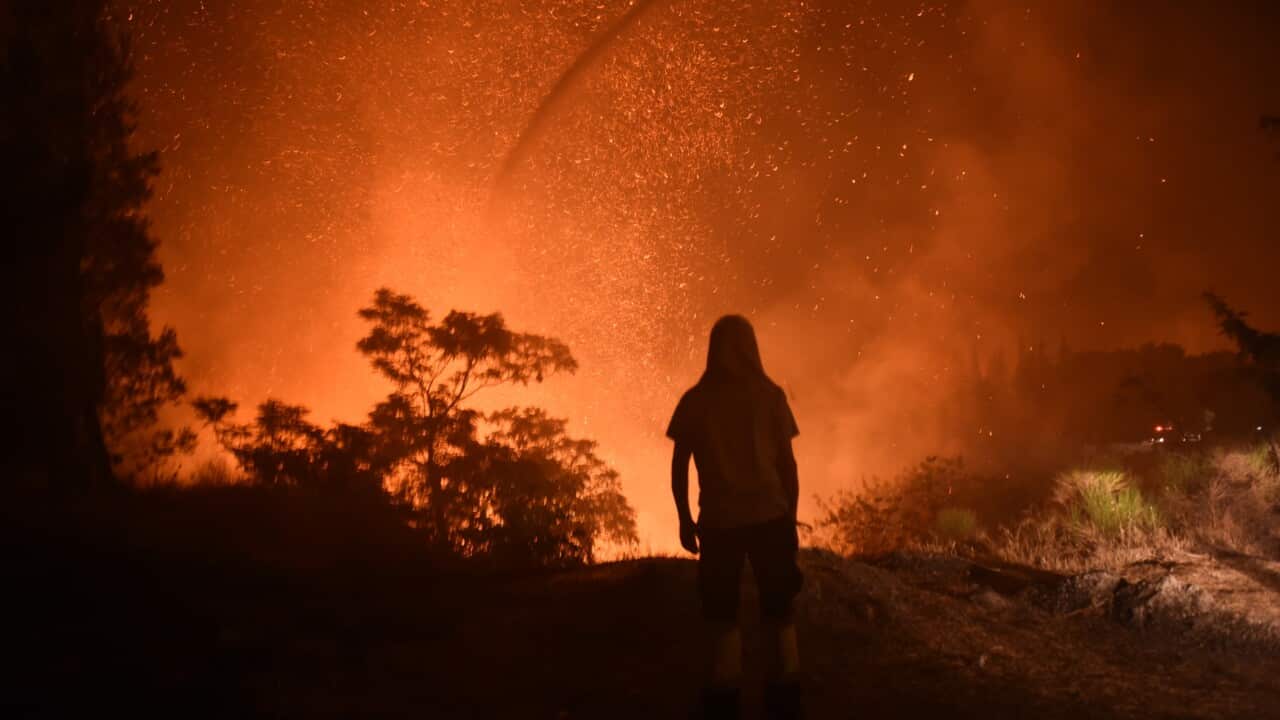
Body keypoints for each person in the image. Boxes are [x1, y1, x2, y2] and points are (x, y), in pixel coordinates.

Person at [667, 314, 803, 720]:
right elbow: (788, 466)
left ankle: (723, 702)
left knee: (721, 615)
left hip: (719, 522)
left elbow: (679, 465)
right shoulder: (770, 396)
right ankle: (784, 702)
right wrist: (790, 519)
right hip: (769, 517)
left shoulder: (696, 401)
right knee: (778, 611)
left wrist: (684, 517)